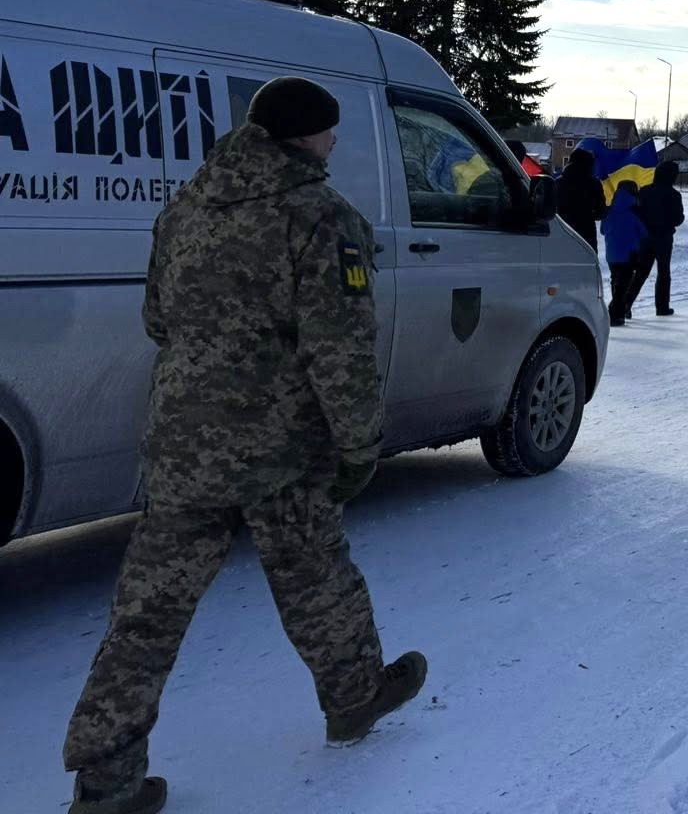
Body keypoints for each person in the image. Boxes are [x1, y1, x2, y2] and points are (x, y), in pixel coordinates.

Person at [62, 77, 426, 814]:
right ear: (305, 136)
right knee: (315, 577)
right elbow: (340, 350)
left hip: (183, 445)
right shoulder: (319, 216)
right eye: (329, 131)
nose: (334, 143)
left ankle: (105, 780)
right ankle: (354, 696)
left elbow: (158, 319)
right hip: (279, 450)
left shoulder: (188, 206)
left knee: (147, 614)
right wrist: (359, 447)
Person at [636, 163, 686, 317]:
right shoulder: (674, 195)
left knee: (640, 272)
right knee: (663, 272)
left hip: (645, 236)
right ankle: (662, 307)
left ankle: (625, 305)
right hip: (664, 237)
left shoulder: (644, 191)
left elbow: (638, 213)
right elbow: (678, 219)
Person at [603, 184, 648, 327]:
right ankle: (615, 314)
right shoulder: (633, 214)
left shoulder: (609, 212)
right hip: (629, 254)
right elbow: (644, 233)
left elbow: (603, 230)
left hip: (611, 253)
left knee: (615, 280)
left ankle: (618, 312)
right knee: (623, 285)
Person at [556, 146, 604, 252]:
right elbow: (600, 212)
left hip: (562, 233)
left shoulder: (558, 183)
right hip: (586, 237)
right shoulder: (594, 184)